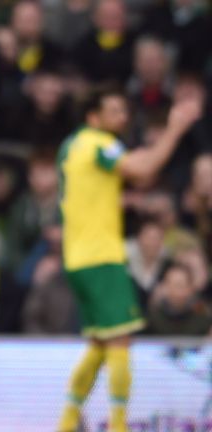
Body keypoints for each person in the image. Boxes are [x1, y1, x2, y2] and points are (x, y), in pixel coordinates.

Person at [56, 86, 201, 432]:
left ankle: (66, 422)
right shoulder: (99, 142)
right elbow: (143, 167)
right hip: (101, 257)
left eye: (124, 110)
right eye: (114, 110)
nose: (122, 117)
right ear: (94, 116)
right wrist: (176, 127)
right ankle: (118, 425)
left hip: (77, 257)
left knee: (99, 343)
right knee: (121, 341)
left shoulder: (71, 146)